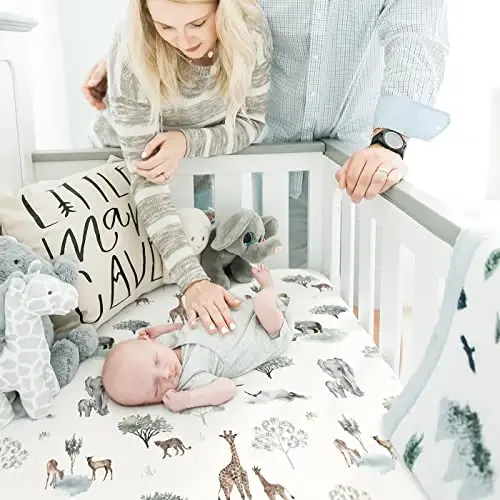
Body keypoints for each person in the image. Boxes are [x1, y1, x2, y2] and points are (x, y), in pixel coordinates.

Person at [83, 1, 450, 327]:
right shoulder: (154, 45)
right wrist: (139, 45)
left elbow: (416, 32)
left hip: (350, 146)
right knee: (262, 271)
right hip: (261, 149)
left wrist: (390, 139)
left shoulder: (251, 37)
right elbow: (180, 14)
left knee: (352, 290)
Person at [87, 0, 273, 336]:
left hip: (193, 163)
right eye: (165, 27)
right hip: (124, 170)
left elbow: (252, 123)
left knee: (199, 242)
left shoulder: (251, 31)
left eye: (197, 23)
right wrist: (192, 283)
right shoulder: (131, 50)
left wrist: (187, 142)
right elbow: (146, 179)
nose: (183, 40)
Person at [101, 264, 292, 412]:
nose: (166, 374)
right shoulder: (191, 379)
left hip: (241, 313)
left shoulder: (166, 344)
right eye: (157, 387)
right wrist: (187, 400)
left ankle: (268, 291)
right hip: (268, 332)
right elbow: (227, 388)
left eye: (157, 361)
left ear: (150, 343)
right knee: (262, 303)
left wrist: (160, 330)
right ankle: (268, 288)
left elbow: (184, 329)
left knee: (244, 301)